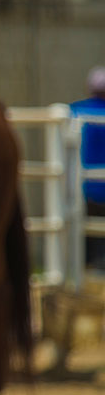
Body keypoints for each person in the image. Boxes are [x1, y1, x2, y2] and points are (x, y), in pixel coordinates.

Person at [71, 66, 105, 271]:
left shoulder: (75, 111)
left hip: (80, 188)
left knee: (82, 237)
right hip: (101, 189)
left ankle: (83, 271)